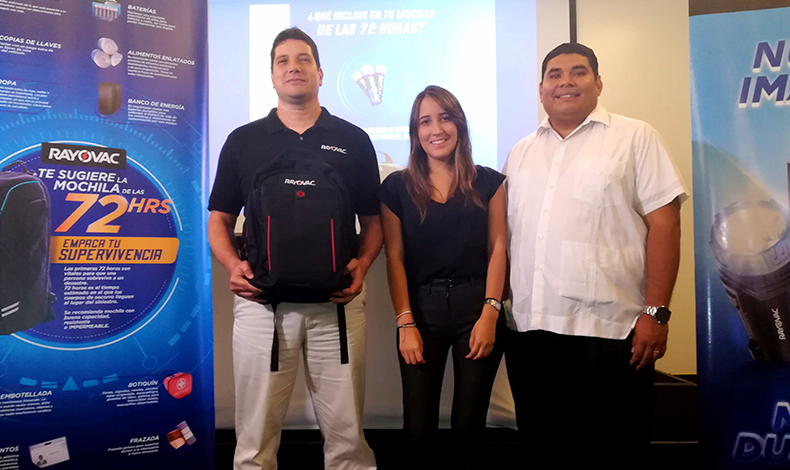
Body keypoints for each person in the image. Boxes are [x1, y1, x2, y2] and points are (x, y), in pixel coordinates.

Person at [503, 43, 688, 467]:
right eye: (555, 74)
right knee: (543, 452)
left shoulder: (635, 137)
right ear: (541, 88)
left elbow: (665, 225)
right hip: (531, 333)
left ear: (599, 82)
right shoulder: (521, 152)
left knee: (613, 452)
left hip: (610, 333)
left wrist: (657, 313)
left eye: (579, 71)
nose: (566, 81)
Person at [207, 28, 381, 470]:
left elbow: (374, 222)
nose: (293, 67)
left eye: (303, 59)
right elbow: (219, 220)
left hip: (338, 307)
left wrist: (362, 265)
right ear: (271, 76)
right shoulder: (244, 140)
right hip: (262, 306)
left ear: (320, 73)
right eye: (283, 61)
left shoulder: (354, 139)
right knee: (254, 441)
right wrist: (232, 265)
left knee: (347, 438)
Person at [379, 86, 507, 469]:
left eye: (445, 118)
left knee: (469, 429)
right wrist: (405, 323)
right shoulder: (396, 188)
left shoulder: (490, 182)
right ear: (415, 132)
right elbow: (394, 257)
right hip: (421, 311)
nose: (436, 129)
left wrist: (490, 313)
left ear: (459, 124)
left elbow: (498, 248)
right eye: (425, 121)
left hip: (477, 309)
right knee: (418, 431)